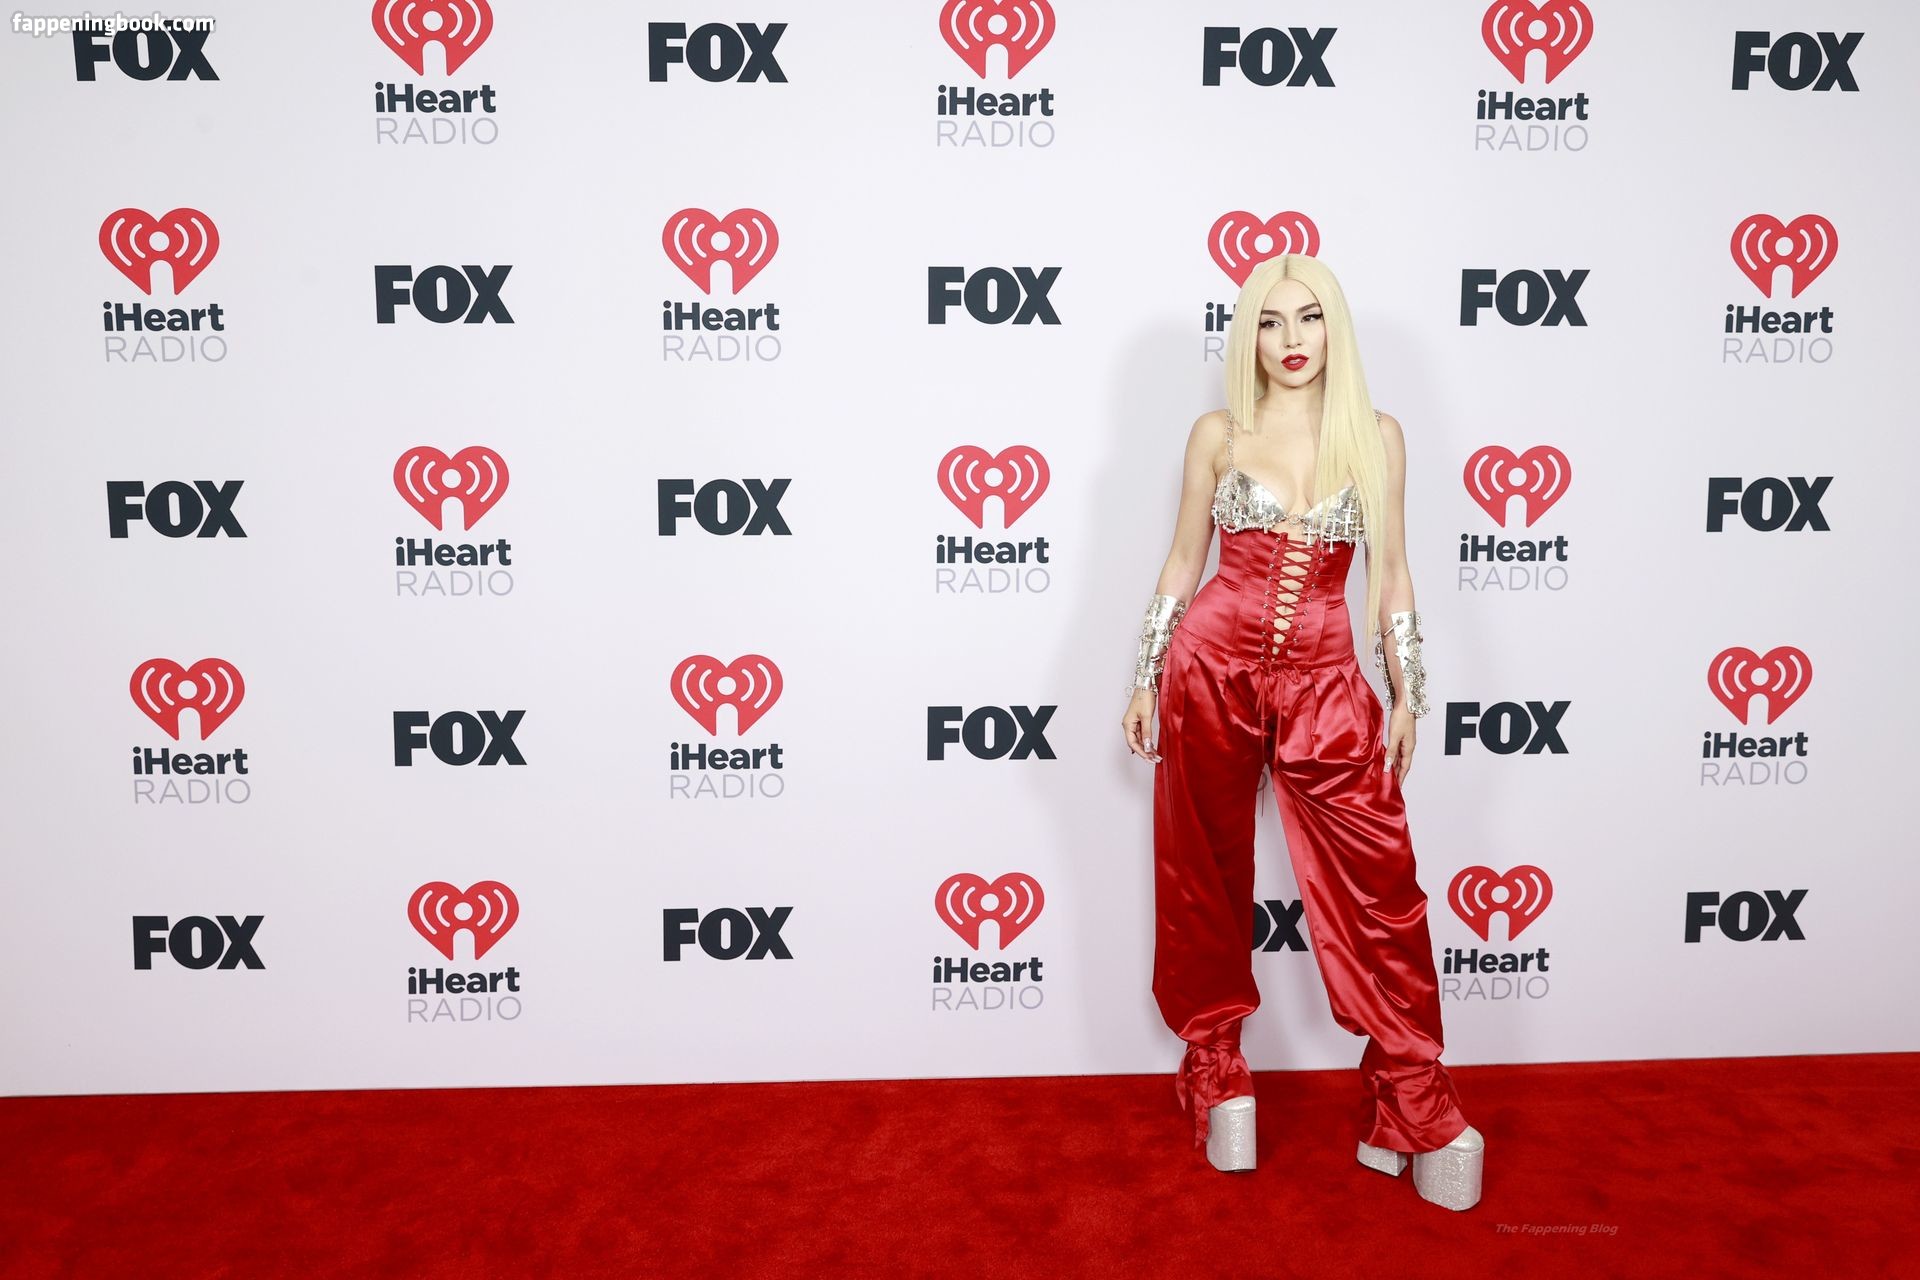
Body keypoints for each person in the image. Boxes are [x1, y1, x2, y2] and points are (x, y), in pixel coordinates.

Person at [1120, 255, 1484, 1211]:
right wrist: (1147, 675)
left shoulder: (1377, 434)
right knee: (1201, 878)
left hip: (1327, 683)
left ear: (1335, 330)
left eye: (1310, 318)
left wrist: (1407, 693)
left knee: (1381, 891)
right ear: (1250, 336)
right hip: (1209, 670)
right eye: (1272, 322)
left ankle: (1413, 1098)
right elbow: (1183, 560)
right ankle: (1219, 1074)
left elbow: (1390, 573)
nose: (1291, 340)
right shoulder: (1217, 434)